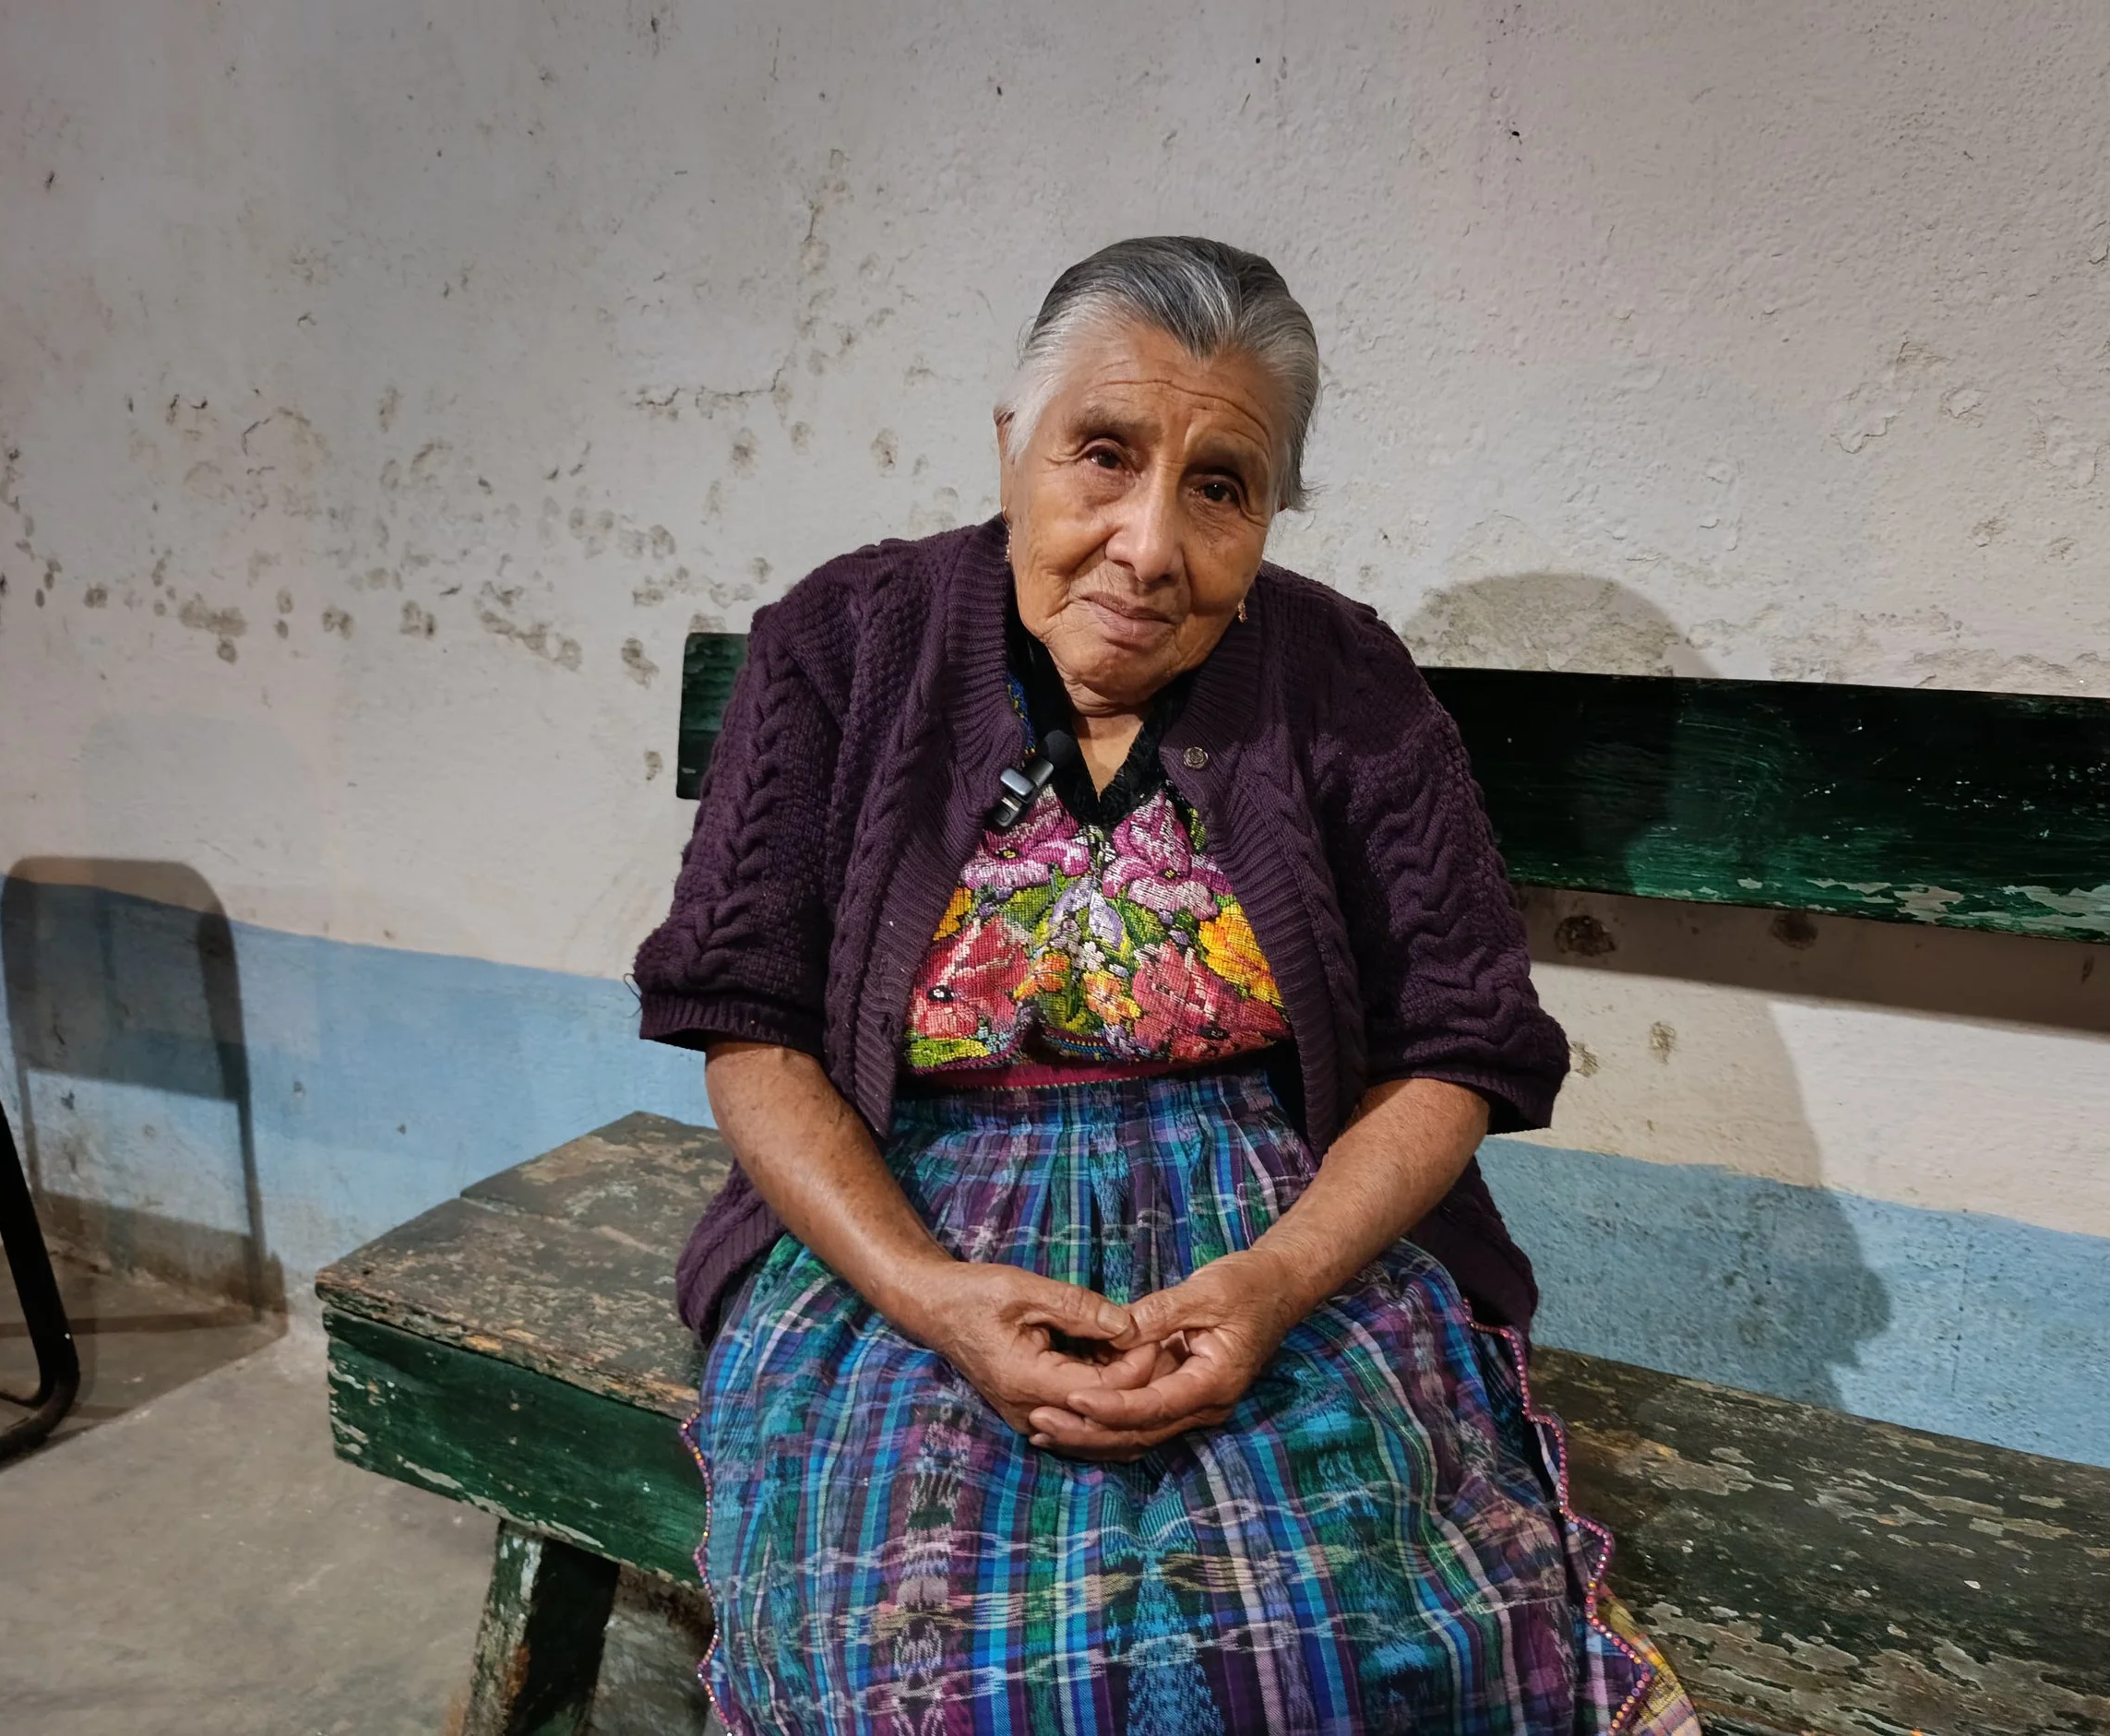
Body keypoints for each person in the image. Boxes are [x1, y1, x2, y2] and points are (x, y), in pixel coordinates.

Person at [636, 236, 1699, 1735]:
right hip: (908, 1216)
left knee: (1339, 1640)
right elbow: (744, 1016)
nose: (1148, 544)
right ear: (1012, 442)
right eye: (1103, 455)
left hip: (1274, 1225)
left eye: (1219, 485)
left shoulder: (1346, 674)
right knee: (923, 1666)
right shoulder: (845, 640)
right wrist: (932, 1296)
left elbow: (1458, 1040)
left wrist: (1274, 1282)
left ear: (1269, 513)